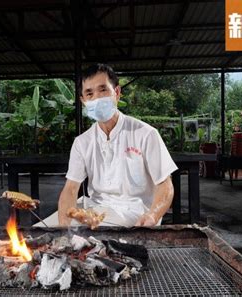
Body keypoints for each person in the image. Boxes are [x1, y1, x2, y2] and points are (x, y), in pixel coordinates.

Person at [37, 64, 178, 228]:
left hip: (135, 212)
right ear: (83, 101)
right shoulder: (82, 142)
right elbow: (70, 189)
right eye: (89, 93)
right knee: (42, 232)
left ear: (116, 93)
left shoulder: (146, 134)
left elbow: (165, 185)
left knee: (91, 236)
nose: (96, 98)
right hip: (93, 209)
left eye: (103, 90)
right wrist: (62, 228)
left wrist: (153, 215)